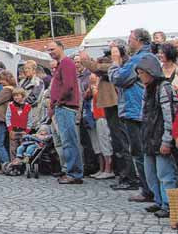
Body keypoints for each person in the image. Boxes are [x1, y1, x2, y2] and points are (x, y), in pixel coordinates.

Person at [108, 30, 153, 202]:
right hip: (138, 109)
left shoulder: (139, 58)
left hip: (135, 109)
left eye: (130, 39)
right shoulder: (146, 55)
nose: (128, 42)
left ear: (139, 40)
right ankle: (149, 189)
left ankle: (147, 190)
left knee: (140, 152)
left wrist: (114, 63)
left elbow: (120, 78)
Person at [135, 53, 178, 219]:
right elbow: (144, 115)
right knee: (151, 173)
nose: (140, 76)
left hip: (160, 137)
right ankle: (159, 201)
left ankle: (169, 205)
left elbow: (170, 116)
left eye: (142, 73)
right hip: (149, 137)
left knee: (165, 174)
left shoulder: (164, 88)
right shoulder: (148, 89)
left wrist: (167, 140)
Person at [79, 50, 129, 186]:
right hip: (103, 111)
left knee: (115, 143)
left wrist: (85, 59)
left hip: (111, 108)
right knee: (106, 144)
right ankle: (116, 173)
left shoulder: (114, 67)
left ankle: (121, 173)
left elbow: (96, 68)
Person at [47, 40, 83, 184]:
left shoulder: (66, 63)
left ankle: (74, 173)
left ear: (61, 48)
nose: (50, 52)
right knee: (66, 141)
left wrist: (58, 101)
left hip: (66, 107)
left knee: (69, 141)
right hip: (61, 106)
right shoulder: (61, 65)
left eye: (53, 49)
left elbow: (68, 86)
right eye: (48, 50)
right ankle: (72, 171)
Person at [86, 73, 114, 180]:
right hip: (96, 116)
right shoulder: (93, 85)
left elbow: (100, 98)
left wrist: (95, 90)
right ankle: (102, 169)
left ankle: (108, 169)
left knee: (105, 142)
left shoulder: (104, 84)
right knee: (99, 144)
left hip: (103, 115)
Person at [6, 87, 31, 162]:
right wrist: (10, 130)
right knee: (13, 149)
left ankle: (22, 164)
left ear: (23, 96)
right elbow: (8, 117)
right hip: (13, 131)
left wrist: (27, 131)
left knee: (22, 148)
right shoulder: (11, 105)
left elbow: (30, 119)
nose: (16, 97)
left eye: (18, 95)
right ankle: (14, 164)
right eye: (14, 96)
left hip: (23, 131)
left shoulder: (28, 106)